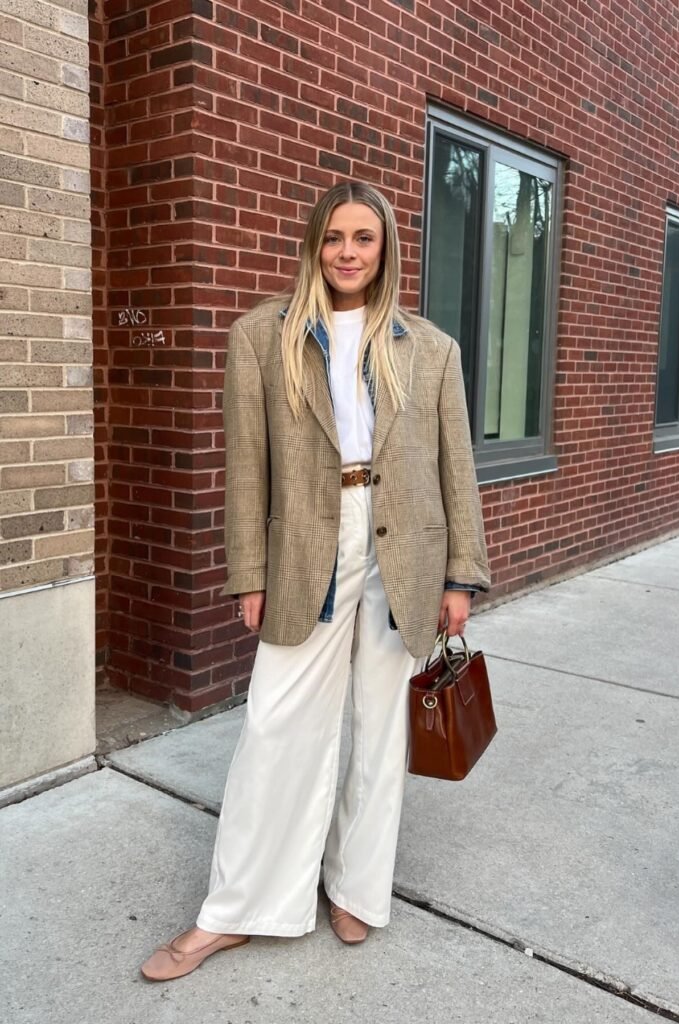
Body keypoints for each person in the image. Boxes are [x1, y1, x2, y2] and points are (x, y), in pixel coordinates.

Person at [141, 180, 490, 981]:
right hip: (306, 546)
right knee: (275, 727)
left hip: (403, 551)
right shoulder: (261, 336)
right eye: (334, 237)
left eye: (363, 238)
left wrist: (461, 578)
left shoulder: (429, 348)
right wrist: (247, 573)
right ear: (313, 243)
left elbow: (455, 472)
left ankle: (356, 890)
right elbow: (244, 468)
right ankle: (237, 910)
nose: (347, 253)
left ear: (384, 248)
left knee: (378, 730)